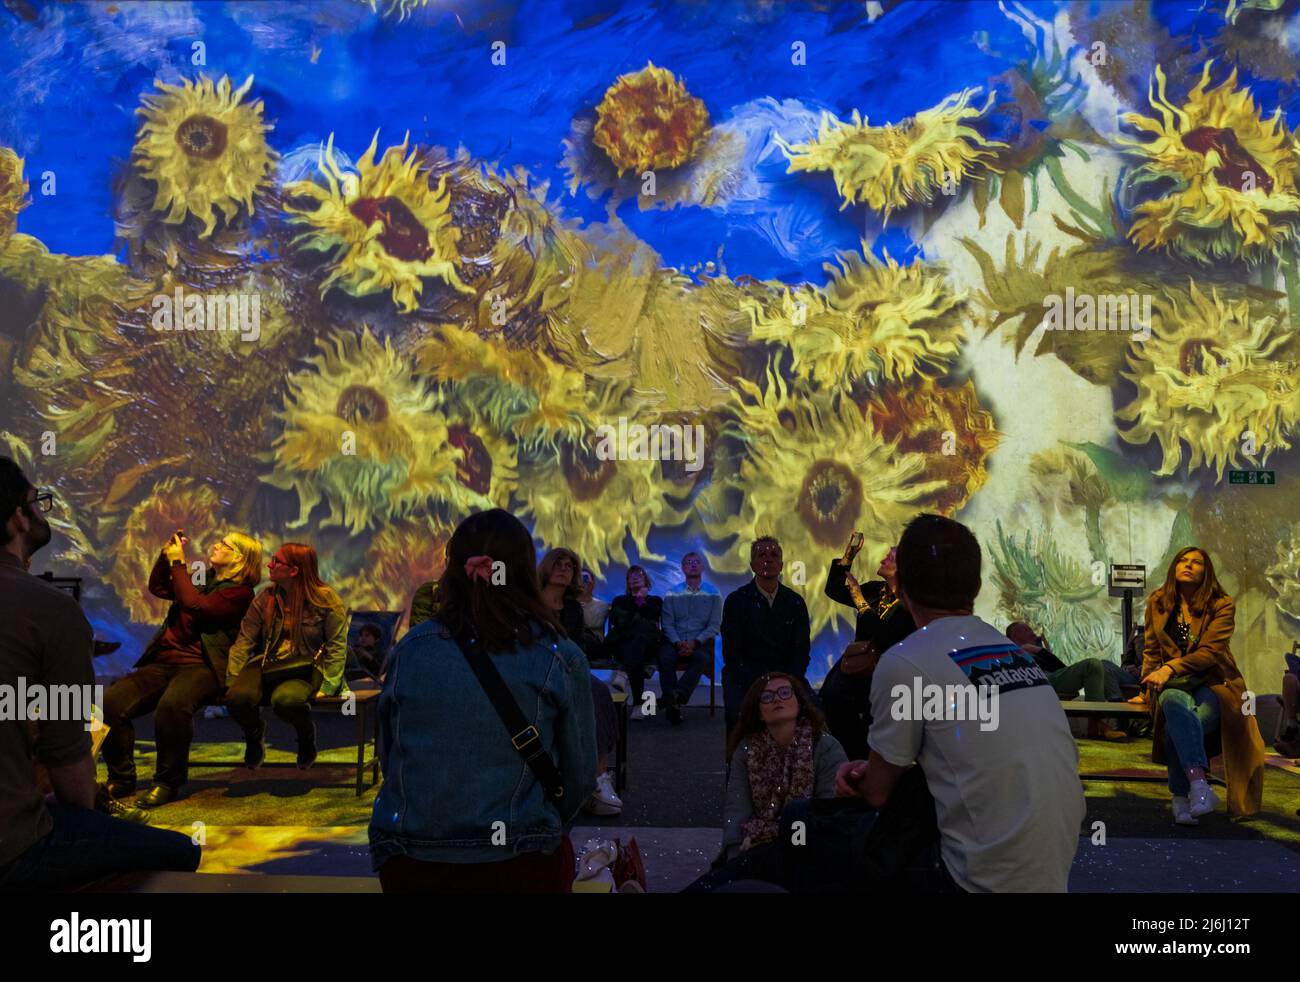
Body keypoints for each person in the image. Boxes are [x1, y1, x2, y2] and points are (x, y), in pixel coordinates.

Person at [837, 514, 1086, 892]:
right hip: (1051, 872)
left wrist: (865, 773)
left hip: (976, 880)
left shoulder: (905, 662)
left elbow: (876, 791)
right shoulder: (1011, 652)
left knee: (827, 843)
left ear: (900, 584)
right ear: (977, 584)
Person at [369, 509, 597, 892]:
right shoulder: (560, 655)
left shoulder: (409, 651)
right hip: (522, 863)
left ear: (452, 568)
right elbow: (579, 778)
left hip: (415, 861)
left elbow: (391, 756)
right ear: (526, 570)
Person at [0, 458, 200, 890]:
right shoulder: (50, 611)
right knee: (183, 851)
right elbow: (66, 753)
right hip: (12, 847)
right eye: (38, 503)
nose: (41, 512)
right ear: (18, 516)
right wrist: (79, 813)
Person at [101, 529, 262, 807]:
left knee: (172, 706)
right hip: (164, 662)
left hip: (203, 666)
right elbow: (161, 588)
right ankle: (122, 779)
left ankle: (168, 781)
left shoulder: (239, 594)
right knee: (110, 703)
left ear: (239, 558)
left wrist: (179, 564)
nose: (216, 544)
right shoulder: (205, 579)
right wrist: (166, 559)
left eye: (224, 544)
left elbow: (196, 605)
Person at [1133, 547, 1264, 823]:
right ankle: (1199, 786)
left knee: (1179, 726)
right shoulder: (1158, 601)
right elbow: (1151, 650)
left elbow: (1209, 653)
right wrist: (1146, 689)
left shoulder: (1222, 604)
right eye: (1183, 560)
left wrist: (1169, 668)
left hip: (1214, 681)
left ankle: (1180, 797)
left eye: (1196, 563)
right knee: (1172, 701)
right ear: (1174, 568)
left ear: (1207, 572)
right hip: (1172, 685)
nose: (1188, 565)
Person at [684, 672, 846, 892]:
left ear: (799, 703)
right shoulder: (746, 750)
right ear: (759, 712)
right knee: (732, 878)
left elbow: (830, 811)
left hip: (810, 847)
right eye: (767, 697)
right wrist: (735, 854)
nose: (777, 699)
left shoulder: (826, 747)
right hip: (755, 846)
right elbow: (736, 806)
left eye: (785, 692)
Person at [225, 543, 348, 770]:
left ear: (294, 570)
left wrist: (330, 684)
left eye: (276, 561)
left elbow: (337, 644)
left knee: (286, 701)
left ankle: (305, 736)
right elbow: (244, 641)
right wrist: (233, 678)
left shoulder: (325, 599)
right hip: (268, 663)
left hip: (304, 666)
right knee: (237, 698)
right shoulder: (265, 598)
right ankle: (254, 735)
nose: (269, 565)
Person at [538, 548, 621, 816]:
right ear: (547, 568)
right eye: (558, 564)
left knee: (597, 692)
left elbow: (574, 646)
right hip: (535, 667)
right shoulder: (530, 602)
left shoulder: (573, 608)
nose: (564, 569)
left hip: (568, 668)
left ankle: (598, 777)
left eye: (570, 566)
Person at [820, 537, 915, 760]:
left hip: (881, 683)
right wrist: (848, 557)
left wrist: (861, 603)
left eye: (891, 558)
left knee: (864, 738)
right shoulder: (876, 591)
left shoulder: (910, 605)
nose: (884, 559)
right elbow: (834, 590)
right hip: (856, 672)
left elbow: (886, 637)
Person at [720, 537, 811, 732]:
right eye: (761, 555)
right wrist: (758, 685)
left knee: (815, 711)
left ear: (781, 565)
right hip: (745, 676)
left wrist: (786, 683)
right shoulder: (736, 601)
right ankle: (734, 762)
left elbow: (801, 650)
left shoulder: (795, 602)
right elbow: (732, 653)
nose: (768, 559)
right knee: (737, 716)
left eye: (774, 555)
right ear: (752, 564)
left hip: (787, 675)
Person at [1005, 622, 1127, 742]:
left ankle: (1095, 726)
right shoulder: (1010, 651)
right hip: (1037, 681)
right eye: (1026, 630)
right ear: (1014, 636)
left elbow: (1061, 669)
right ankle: (1100, 726)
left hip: (1052, 678)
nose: (1032, 632)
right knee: (1091, 664)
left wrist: (1039, 650)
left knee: (1094, 665)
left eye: (1030, 629)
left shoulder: (1035, 651)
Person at [605, 565, 676, 720]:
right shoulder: (619, 600)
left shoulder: (656, 600)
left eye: (639, 575)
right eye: (631, 576)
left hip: (648, 646)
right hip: (623, 645)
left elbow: (653, 614)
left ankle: (623, 675)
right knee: (639, 632)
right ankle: (638, 703)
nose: (635, 577)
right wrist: (638, 615)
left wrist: (639, 600)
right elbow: (619, 620)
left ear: (646, 580)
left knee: (641, 633)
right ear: (627, 582)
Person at [660, 551, 723, 725]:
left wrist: (695, 643)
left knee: (702, 657)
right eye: (689, 562)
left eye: (697, 562)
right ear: (683, 568)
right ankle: (674, 702)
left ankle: (675, 697)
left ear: (702, 567)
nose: (693, 564)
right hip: (674, 641)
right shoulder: (672, 593)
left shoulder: (713, 593)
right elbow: (667, 624)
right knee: (665, 657)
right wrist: (678, 642)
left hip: (699, 642)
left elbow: (714, 625)